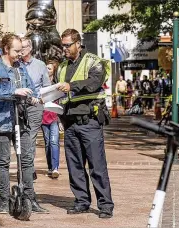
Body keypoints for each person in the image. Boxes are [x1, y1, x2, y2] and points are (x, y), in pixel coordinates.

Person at [0, 34, 47, 214]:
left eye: (21, 50)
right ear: (6, 49)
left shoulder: (21, 69)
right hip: (1, 121)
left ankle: (30, 198)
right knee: (4, 161)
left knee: (26, 160)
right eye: (16, 51)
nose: (20, 54)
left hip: (22, 119)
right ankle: (5, 200)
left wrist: (35, 98)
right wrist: (15, 91)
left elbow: (31, 89)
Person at [56, 29, 114, 219]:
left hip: (89, 121)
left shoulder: (93, 61)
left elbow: (94, 82)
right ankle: (81, 201)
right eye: (62, 45)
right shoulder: (62, 67)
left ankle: (105, 205)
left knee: (97, 166)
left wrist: (71, 86)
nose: (64, 48)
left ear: (77, 44)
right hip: (70, 123)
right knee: (75, 166)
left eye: (67, 45)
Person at [20, 36, 51, 181]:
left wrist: (40, 100)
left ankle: (28, 169)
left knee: (30, 137)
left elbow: (46, 86)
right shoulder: (15, 65)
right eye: (19, 47)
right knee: (19, 137)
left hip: (35, 106)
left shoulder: (40, 65)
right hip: (19, 105)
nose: (21, 50)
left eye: (24, 47)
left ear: (30, 48)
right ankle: (25, 167)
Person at [42, 60, 62, 179]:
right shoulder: (40, 84)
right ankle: (50, 166)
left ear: (54, 71)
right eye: (46, 68)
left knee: (54, 141)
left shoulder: (57, 85)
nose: (46, 70)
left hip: (54, 117)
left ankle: (55, 168)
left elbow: (60, 102)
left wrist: (60, 120)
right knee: (47, 142)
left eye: (49, 68)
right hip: (43, 117)